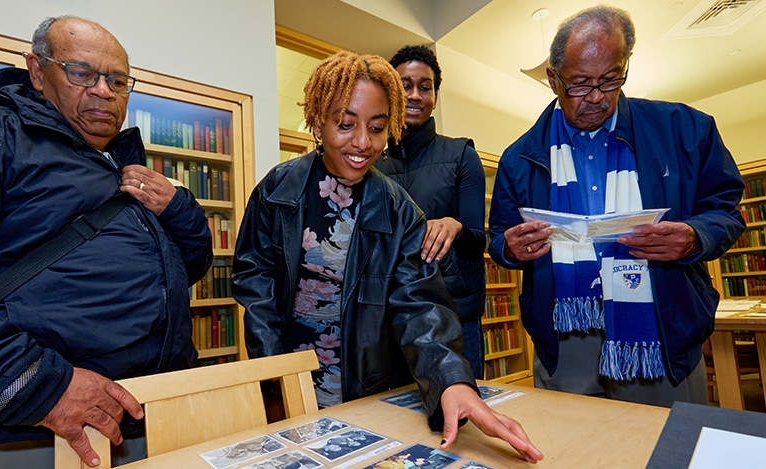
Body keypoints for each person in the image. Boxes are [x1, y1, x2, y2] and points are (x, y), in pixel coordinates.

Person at [233, 50, 542, 464]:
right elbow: (255, 282)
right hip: (289, 382)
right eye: (345, 124)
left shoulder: (398, 208)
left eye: (377, 128)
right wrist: (275, 373)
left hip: (368, 381)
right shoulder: (277, 189)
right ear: (318, 119)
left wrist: (453, 383)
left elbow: (420, 304)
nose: (362, 143)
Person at [0, 16, 212, 468]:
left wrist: (178, 208)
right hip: (25, 431)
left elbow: (185, 271)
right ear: (37, 72)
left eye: (117, 80)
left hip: (145, 419)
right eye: (82, 73)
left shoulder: (118, 167)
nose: (103, 90)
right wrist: (37, 386)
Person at [487, 5, 744, 407]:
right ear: (553, 79)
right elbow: (499, 238)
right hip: (566, 337)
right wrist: (510, 247)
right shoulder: (518, 157)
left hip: (660, 328)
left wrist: (695, 237)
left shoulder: (686, 130)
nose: (596, 98)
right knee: (571, 454)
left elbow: (726, 211)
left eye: (610, 80)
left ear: (626, 65)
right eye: (579, 84)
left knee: (664, 450)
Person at [374, 45, 487, 380]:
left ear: (435, 95)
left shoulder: (461, 155)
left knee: (461, 420)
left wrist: (456, 227)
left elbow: (478, 240)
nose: (415, 95)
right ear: (391, 92)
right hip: (389, 315)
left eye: (425, 87)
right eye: (405, 85)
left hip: (454, 314)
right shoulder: (370, 161)